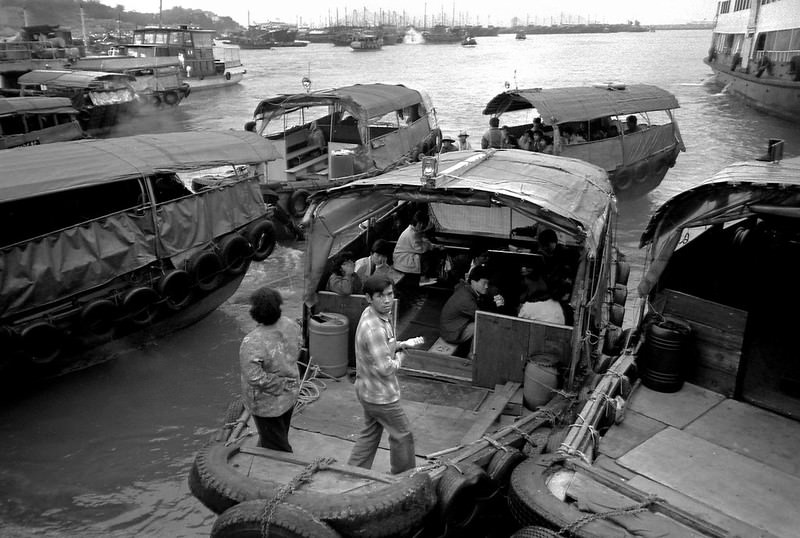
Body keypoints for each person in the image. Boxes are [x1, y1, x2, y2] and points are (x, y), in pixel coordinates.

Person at [347, 275, 422, 474]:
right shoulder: (374, 329)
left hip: (367, 391)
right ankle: (404, 477)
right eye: (380, 296)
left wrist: (402, 343)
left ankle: (352, 472)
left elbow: (382, 348)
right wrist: (401, 356)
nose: (387, 300)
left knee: (370, 433)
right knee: (403, 435)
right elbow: (386, 368)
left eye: (390, 294)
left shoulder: (372, 314)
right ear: (368, 298)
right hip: (381, 396)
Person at [239, 287, 301, 452]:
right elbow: (298, 348)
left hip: (267, 404)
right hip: (291, 391)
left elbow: (254, 378)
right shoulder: (291, 325)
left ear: (255, 312)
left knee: (277, 447)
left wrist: (279, 385)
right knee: (281, 429)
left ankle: (285, 468)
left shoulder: (252, 341)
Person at [439, 265, 504, 347]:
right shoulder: (466, 299)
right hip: (450, 333)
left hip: (452, 327)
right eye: (484, 283)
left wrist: (494, 301)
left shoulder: (466, 288)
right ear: (473, 282)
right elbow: (486, 318)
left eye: (488, 283)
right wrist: (499, 306)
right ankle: (473, 356)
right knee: (483, 326)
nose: (487, 286)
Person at [393, 211, 439, 298]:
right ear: (418, 223)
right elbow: (420, 249)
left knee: (428, 253)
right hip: (402, 259)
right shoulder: (411, 234)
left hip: (404, 257)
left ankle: (425, 276)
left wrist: (431, 245)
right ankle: (423, 278)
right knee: (425, 255)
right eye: (422, 224)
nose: (423, 226)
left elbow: (422, 242)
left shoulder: (413, 231)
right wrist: (432, 246)